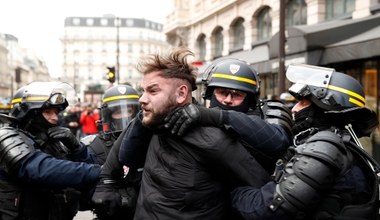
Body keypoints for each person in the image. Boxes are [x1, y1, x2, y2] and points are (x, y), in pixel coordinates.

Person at [109, 47, 270, 219]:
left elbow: (262, 188)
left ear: (181, 93)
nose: (142, 99)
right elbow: (125, 157)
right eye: (143, 91)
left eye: (153, 91)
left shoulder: (215, 140)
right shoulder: (153, 124)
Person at [230, 64, 380, 220]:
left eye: (303, 102)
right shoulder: (341, 142)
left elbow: (269, 209)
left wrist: (232, 191)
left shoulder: (326, 146)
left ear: (326, 106)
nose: (294, 109)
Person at [161, 58, 293, 173]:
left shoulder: (268, 111)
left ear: (250, 99)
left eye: (237, 94)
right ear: (210, 94)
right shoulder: (195, 114)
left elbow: (279, 141)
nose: (228, 99)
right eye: (222, 92)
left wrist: (221, 117)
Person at [0, 82, 101, 220]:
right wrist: (98, 171)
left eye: (56, 112)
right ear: (28, 113)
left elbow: (82, 178)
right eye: (47, 112)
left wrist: (77, 149)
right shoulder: (6, 137)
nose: (55, 117)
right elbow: (40, 169)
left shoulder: (51, 141)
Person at [82, 84, 141, 220]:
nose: (125, 116)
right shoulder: (93, 145)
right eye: (118, 111)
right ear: (108, 114)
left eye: (129, 110)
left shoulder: (151, 140)